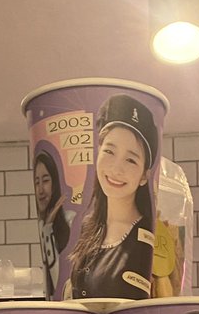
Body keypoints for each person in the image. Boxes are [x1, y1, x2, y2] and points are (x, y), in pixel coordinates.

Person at [64, 94, 159, 300]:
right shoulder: (88, 226)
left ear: (144, 176)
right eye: (109, 151)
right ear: (98, 152)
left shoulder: (150, 236)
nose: (116, 169)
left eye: (131, 160)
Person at [33, 149, 73, 297]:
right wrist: (48, 225)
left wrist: (48, 227)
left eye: (45, 181)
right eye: (37, 182)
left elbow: (59, 280)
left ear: (55, 183)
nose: (40, 190)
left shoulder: (70, 219)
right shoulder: (44, 226)